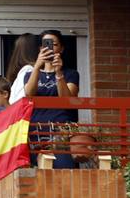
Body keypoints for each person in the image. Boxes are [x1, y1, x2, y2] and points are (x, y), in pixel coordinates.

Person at [11, 31, 81, 168]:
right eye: (46, 45)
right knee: (37, 176)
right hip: (35, 132)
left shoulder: (70, 73)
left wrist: (58, 72)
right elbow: (29, 94)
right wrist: (37, 66)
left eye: (54, 44)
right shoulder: (30, 74)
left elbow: (66, 99)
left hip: (60, 132)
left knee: (63, 170)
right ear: (40, 49)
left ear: (61, 48)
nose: (50, 48)